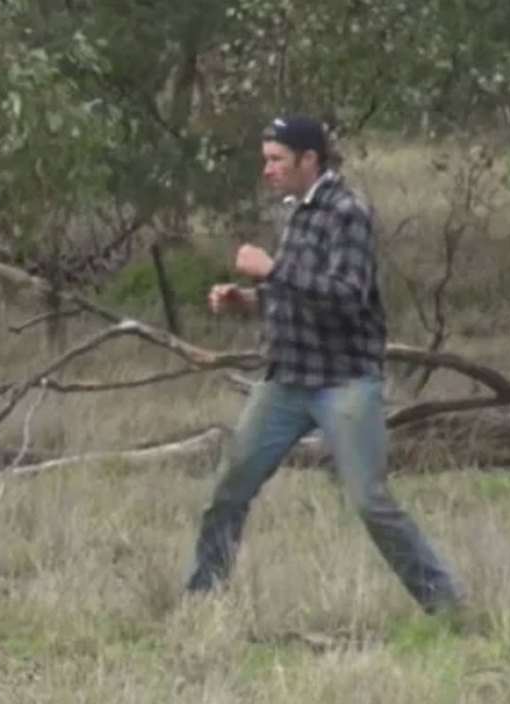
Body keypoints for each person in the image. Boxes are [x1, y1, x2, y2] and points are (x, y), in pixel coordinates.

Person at [185, 115, 462, 614]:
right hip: (287, 379)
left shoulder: (347, 212)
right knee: (229, 490)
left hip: (343, 383)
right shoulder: (297, 212)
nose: (267, 170)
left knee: (370, 502)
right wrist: (248, 301)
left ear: (309, 160)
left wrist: (273, 268)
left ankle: (446, 605)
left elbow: (346, 299)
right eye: (266, 159)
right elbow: (295, 295)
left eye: (276, 160)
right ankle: (204, 600)